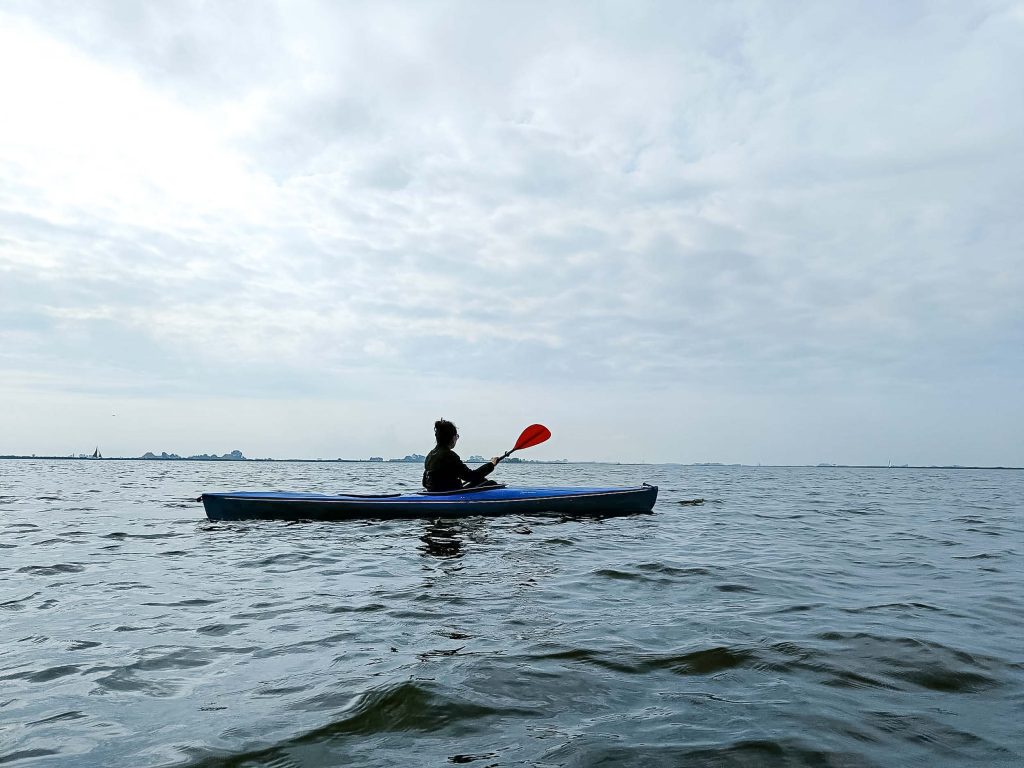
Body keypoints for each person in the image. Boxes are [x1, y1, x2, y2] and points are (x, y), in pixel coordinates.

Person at [422, 419, 502, 492]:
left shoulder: (430, 455)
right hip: (451, 494)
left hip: (435, 493)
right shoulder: (449, 455)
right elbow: (471, 476)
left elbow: (425, 483)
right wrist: (491, 464)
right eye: (457, 436)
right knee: (491, 483)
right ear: (453, 438)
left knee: (481, 480)